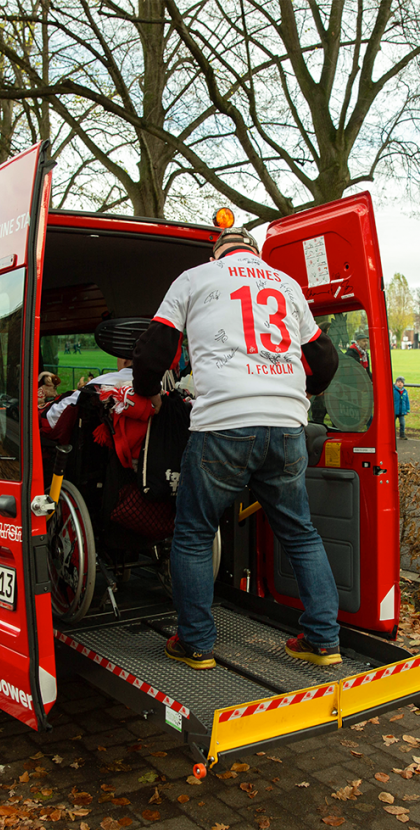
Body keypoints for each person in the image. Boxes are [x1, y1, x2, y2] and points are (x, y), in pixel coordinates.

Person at [133, 226, 340, 670]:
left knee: (193, 533)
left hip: (223, 425)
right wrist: (304, 394)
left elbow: (155, 350)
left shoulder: (195, 278)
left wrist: (146, 391)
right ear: (255, 253)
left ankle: (196, 643)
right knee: (300, 533)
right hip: (286, 427)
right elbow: (324, 357)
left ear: (217, 252)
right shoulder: (286, 284)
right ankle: (324, 640)